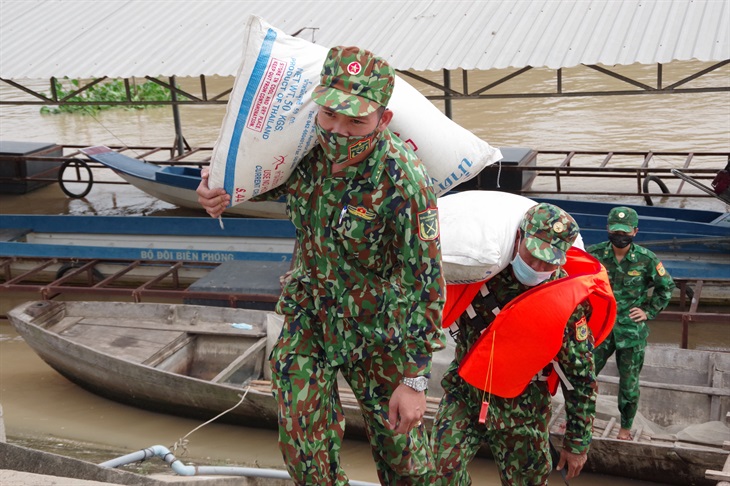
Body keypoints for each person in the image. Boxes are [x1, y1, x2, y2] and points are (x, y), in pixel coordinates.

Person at [197, 46, 446, 485]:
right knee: (304, 454)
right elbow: (254, 178)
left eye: (356, 121)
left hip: (378, 334)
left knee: (407, 466)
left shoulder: (404, 181)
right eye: (330, 114)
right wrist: (218, 188)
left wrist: (415, 380)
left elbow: (424, 286)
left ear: (382, 121)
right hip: (310, 316)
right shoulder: (304, 152)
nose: (338, 130)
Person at [431, 203, 609, 485]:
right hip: (465, 395)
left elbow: (580, 377)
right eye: (533, 255)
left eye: (548, 261)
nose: (537, 267)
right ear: (518, 239)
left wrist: (577, 443)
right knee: (439, 474)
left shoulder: (565, 301)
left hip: (523, 412)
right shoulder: (480, 271)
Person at [587, 206, 675, 441]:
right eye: (615, 230)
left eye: (625, 232)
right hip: (599, 328)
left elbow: (666, 287)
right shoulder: (593, 255)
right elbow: (577, 284)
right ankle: (581, 421)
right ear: (608, 229)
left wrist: (648, 311)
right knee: (584, 376)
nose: (620, 235)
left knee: (629, 383)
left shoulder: (646, 259)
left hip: (631, 331)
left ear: (635, 231)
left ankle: (625, 427)